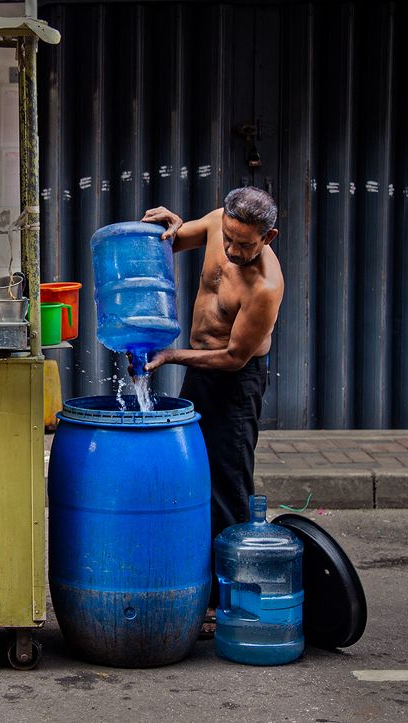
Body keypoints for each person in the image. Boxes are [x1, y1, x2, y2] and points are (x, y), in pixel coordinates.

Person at [137, 187, 284, 623]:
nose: (235, 250)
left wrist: (169, 355)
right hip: (201, 371)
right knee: (193, 474)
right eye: (230, 240)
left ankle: (233, 602)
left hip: (235, 382)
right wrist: (169, 228)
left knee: (228, 486)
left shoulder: (265, 286)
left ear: (268, 237)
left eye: (247, 244)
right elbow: (176, 241)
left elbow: (234, 356)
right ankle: (198, 584)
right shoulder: (222, 220)